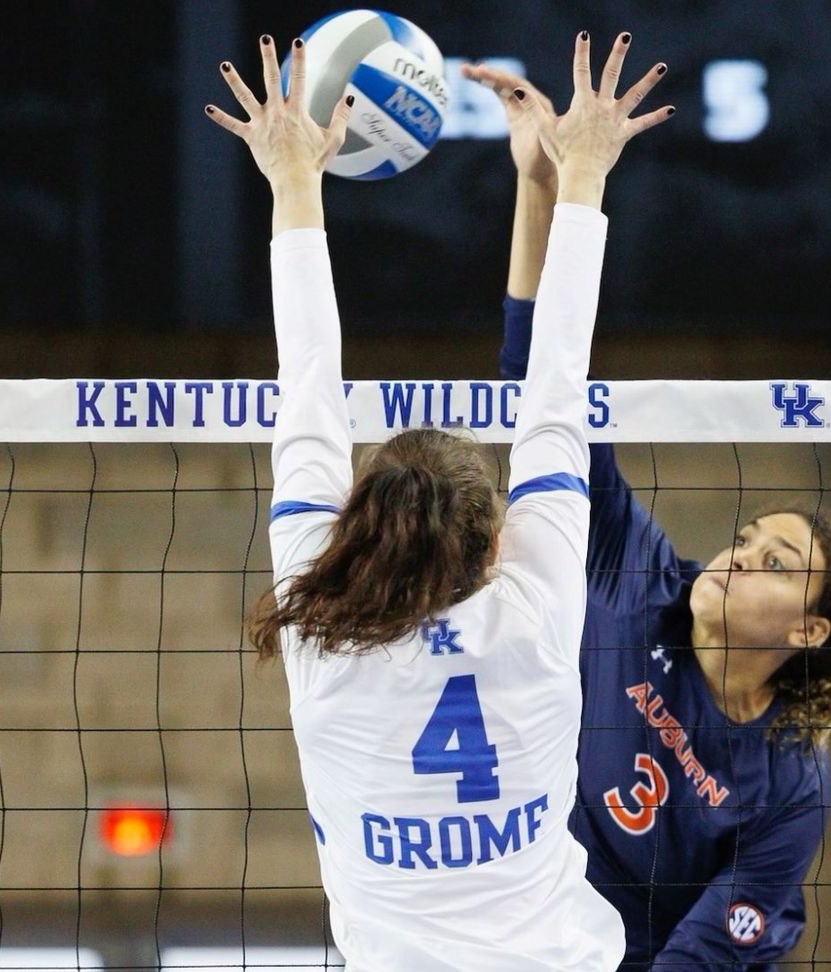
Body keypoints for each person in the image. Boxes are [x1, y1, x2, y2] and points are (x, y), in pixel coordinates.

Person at [207, 30, 673, 972]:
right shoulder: (527, 608)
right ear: (495, 545)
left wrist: (294, 185)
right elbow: (547, 391)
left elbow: (312, 387)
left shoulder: (322, 629)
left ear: (357, 528)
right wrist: (575, 179)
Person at [464, 60, 831, 971]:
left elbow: (703, 955)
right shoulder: (633, 576)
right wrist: (542, 185)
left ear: (809, 630)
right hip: (529, 925)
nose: (734, 556)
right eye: (747, 539)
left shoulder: (788, 785)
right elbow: (545, 388)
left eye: (773, 563)